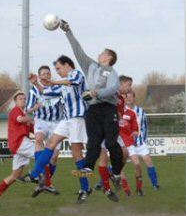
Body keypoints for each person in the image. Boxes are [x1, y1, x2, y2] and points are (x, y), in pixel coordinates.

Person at [21, 55, 113, 204]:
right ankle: (35, 175)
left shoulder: (75, 74)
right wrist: (36, 83)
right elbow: (46, 92)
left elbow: (72, 82)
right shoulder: (60, 84)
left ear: (67, 65)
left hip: (78, 119)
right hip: (66, 119)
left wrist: (52, 81)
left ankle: (85, 188)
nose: (57, 71)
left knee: (76, 154)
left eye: (58, 68)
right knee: (50, 144)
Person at [59, 20, 124, 184]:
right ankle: (87, 168)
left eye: (103, 53)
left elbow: (113, 88)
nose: (99, 54)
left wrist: (96, 92)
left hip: (108, 110)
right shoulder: (91, 67)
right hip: (93, 111)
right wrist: (68, 32)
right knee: (93, 142)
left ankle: (116, 172)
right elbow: (78, 51)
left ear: (109, 57)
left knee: (111, 144)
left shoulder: (112, 73)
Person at [20, 65, 63, 194]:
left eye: (48, 73)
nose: (46, 75)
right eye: (43, 73)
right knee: (38, 139)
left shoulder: (57, 88)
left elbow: (60, 102)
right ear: (39, 76)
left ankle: (44, 182)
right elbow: (27, 110)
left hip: (56, 122)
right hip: (41, 120)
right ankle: (40, 176)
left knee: (54, 157)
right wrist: (35, 107)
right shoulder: (34, 91)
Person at [0, 91, 35, 207]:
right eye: (20, 99)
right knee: (42, 154)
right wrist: (34, 113)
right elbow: (20, 120)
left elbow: (36, 130)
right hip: (19, 143)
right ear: (15, 101)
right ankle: (37, 177)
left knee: (15, 176)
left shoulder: (24, 115)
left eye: (24, 99)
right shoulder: (15, 111)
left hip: (19, 146)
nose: (23, 100)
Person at [126, 91, 160, 189]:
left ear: (134, 98)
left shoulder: (141, 111)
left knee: (148, 161)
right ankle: (102, 182)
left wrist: (143, 140)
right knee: (119, 163)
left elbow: (145, 127)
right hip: (128, 144)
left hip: (140, 143)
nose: (128, 99)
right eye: (127, 97)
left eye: (130, 97)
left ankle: (155, 184)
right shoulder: (123, 111)